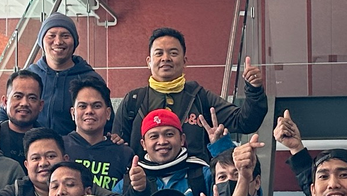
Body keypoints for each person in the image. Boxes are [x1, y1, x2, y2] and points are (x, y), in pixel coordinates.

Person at [109, 27, 268, 156]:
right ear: (148, 62)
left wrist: (254, 89)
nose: (166, 58)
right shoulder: (134, 100)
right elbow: (119, 148)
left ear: (184, 61)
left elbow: (244, 122)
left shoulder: (200, 97)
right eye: (159, 53)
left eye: (173, 53)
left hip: (194, 182)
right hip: (145, 182)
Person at [23, 11, 99, 135]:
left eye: (65, 36)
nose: (58, 41)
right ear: (41, 41)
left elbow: (107, 121)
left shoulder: (91, 79)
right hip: (31, 145)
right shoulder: (27, 76)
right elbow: (6, 112)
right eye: (51, 36)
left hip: (75, 146)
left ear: (74, 41)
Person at [63, 75, 133, 195]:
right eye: (82, 106)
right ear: (73, 113)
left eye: (97, 106)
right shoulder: (60, 147)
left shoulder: (124, 154)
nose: (89, 111)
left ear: (108, 113)